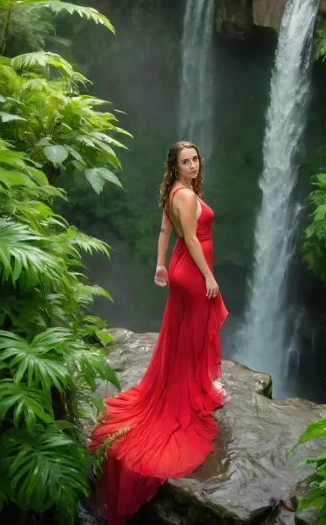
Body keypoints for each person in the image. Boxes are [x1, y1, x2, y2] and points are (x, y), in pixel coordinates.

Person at [89, 141, 228, 524]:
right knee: (193, 336)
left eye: (196, 158)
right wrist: (209, 275)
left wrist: (160, 266)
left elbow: (166, 232)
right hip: (195, 271)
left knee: (186, 335)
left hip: (181, 270)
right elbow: (193, 239)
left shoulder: (173, 193)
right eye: (186, 161)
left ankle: (196, 386)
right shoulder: (183, 195)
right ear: (175, 166)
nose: (193, 165)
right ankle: (193, 392)